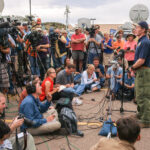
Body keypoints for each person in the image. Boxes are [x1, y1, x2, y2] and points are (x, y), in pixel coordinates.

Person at [131, 21, 150, 128]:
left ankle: (146, 120)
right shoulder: (141, 41)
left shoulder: (145, 42)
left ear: (143, 29)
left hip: (144, 71)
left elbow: (142, 60)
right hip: (140, 71)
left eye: (137, 27)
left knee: (144, 96)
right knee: (139, 94)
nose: (135, 29)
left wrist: (132, 67)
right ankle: (140, 113)